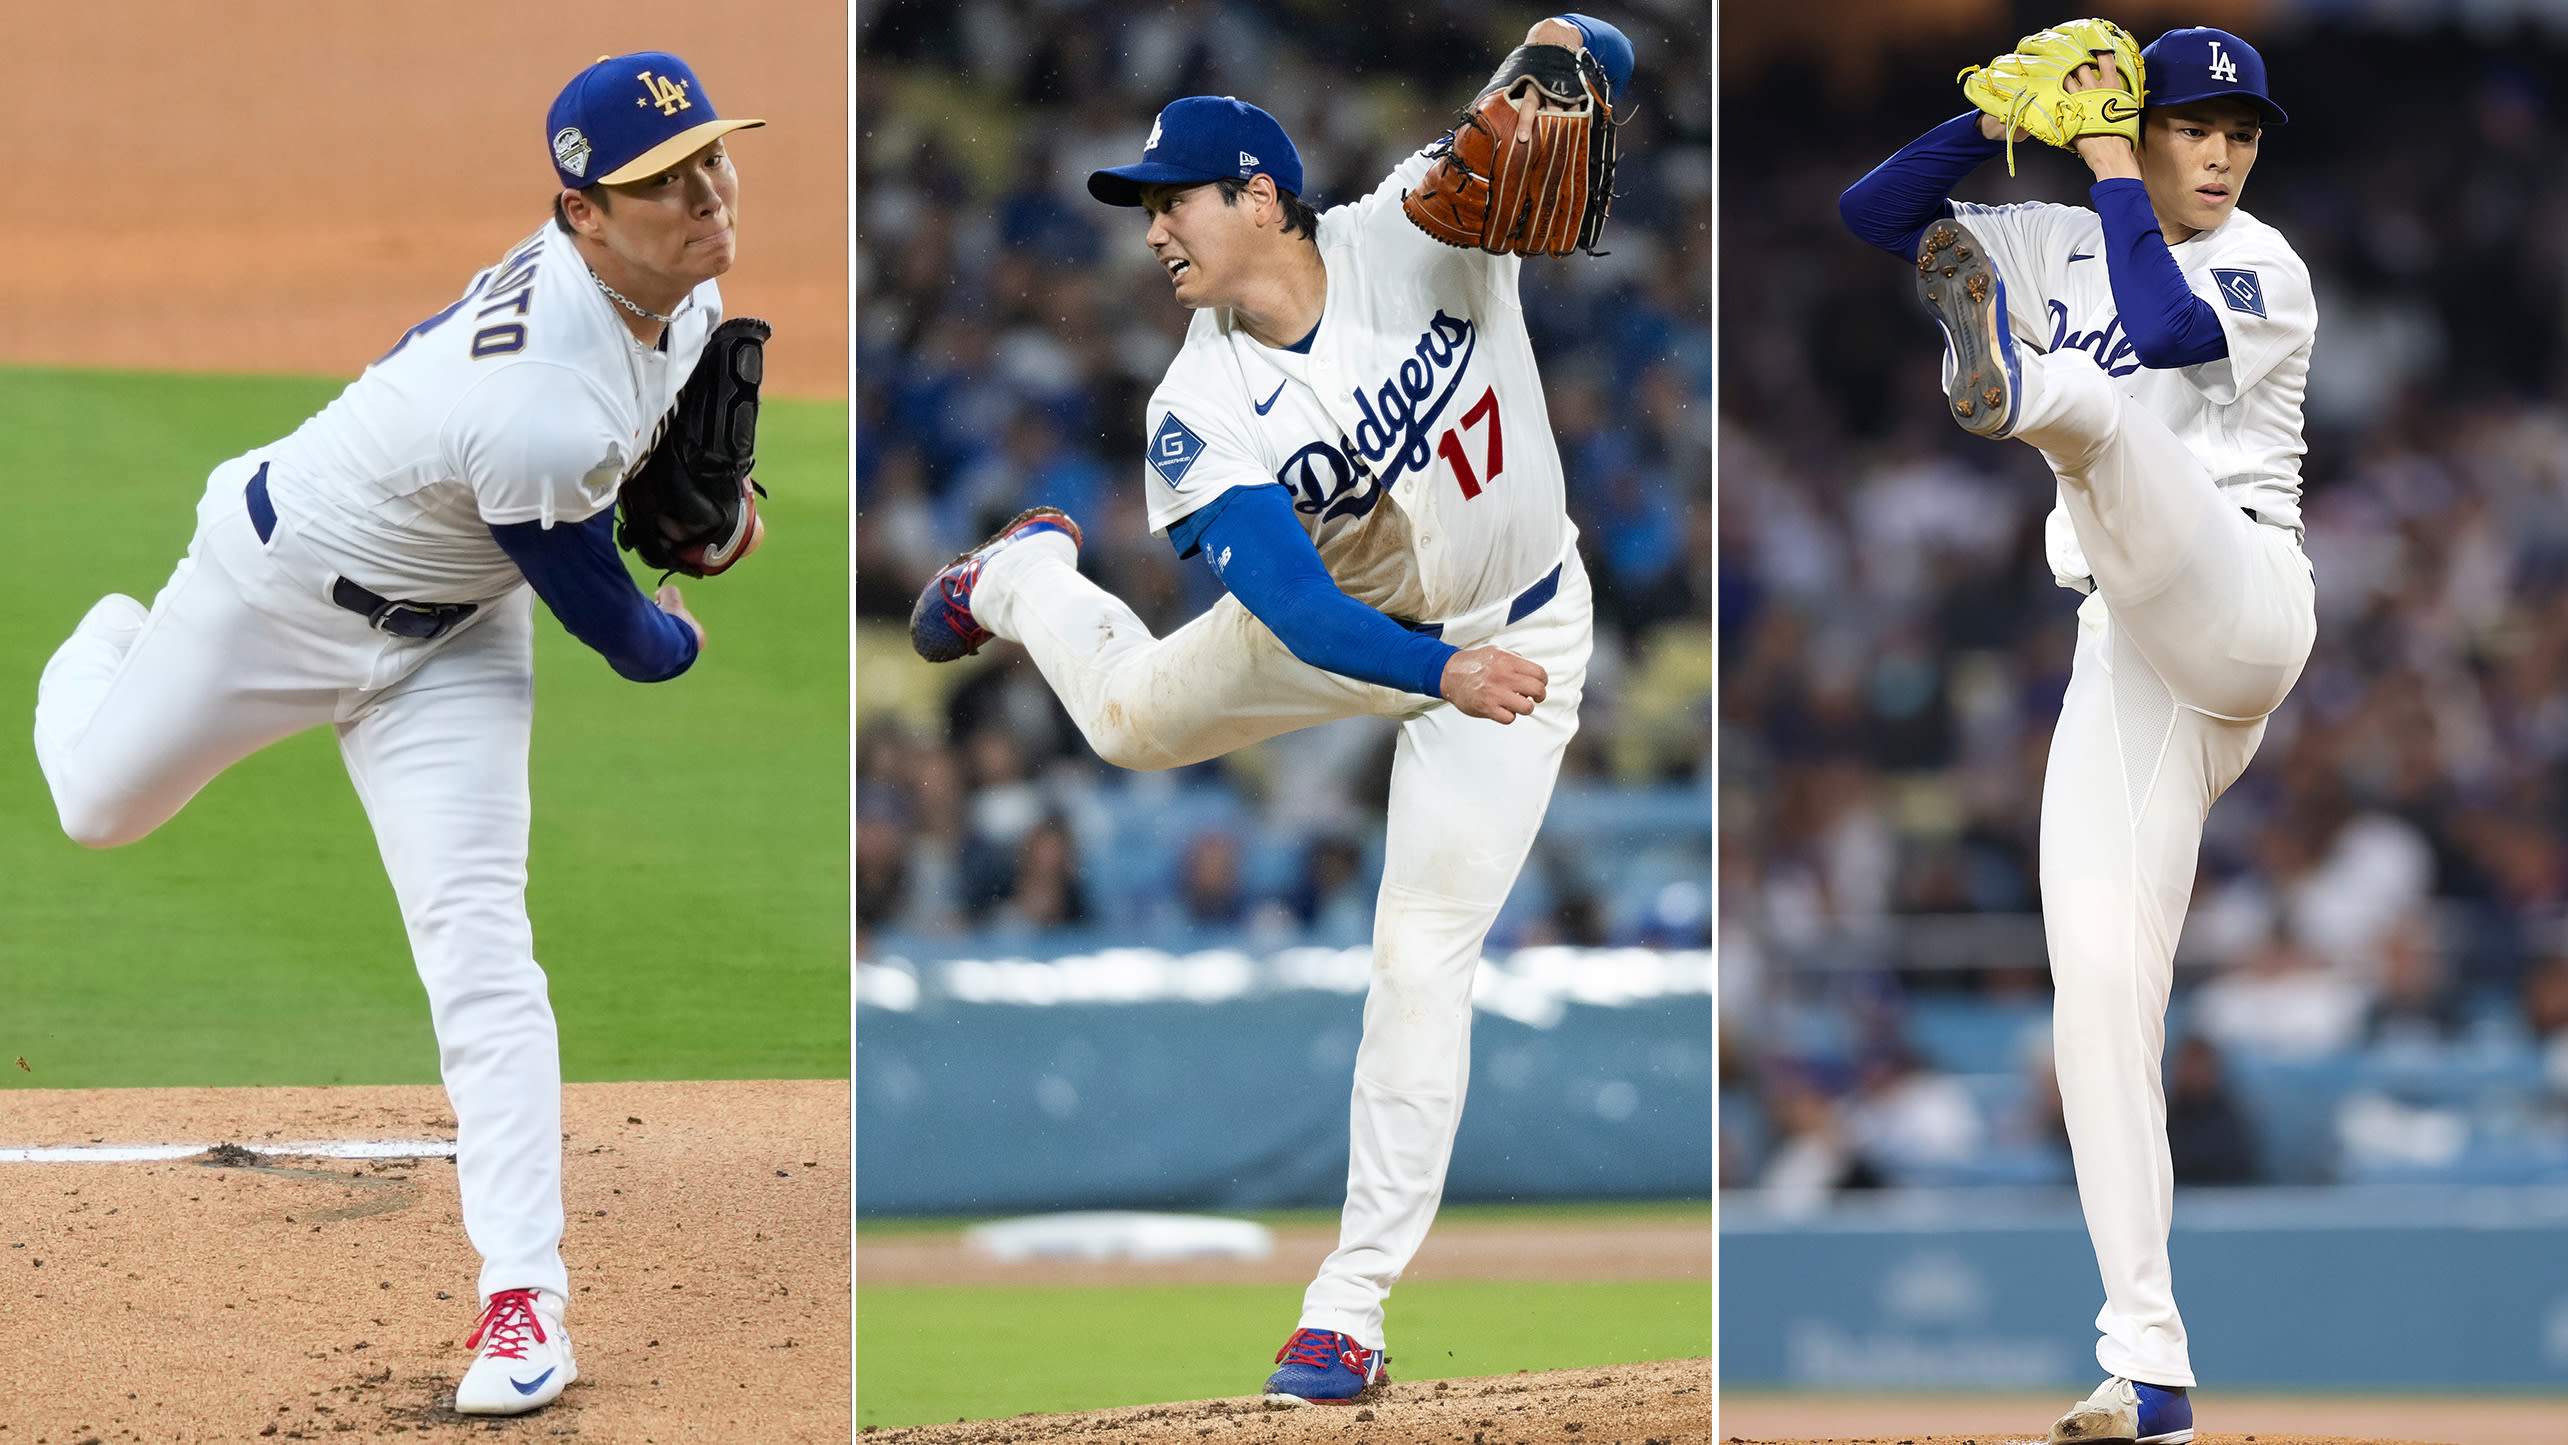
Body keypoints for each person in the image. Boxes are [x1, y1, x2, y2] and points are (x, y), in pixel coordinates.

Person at [908, 14, 1634, 1408]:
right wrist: (1436, 674)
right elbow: (1298, 615)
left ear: (1256, 193)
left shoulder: (1420, 221)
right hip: (1366, 633)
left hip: (1531, 624)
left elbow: (1588, 60)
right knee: (1121, 716)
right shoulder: (1195, 407)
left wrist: (1566, 47)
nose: (1151, 233)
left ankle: (1345, 1311)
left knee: (1423, 954)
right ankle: (1021, 576)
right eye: (1142, 211)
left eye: (1169, 201)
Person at [30, 51, 767, 1417]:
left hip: (452, 643)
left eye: (713, 159)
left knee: (480, 946)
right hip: (269, 597)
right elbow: (625, 632)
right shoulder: (534, 393)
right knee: (95, 803)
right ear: (581, 211)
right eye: (664, 183)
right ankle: (114, 638)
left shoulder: (691, 292)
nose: (709, 197)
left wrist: (720, 518)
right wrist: (686, 620)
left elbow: (650, 477)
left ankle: (522, 1297)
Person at [1840, 24, 2316, 1445]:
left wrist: (2107, 155)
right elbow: (1873, 214)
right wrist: (1991, 113)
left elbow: (2167, 330)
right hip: (2121, 648)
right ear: (2144, 124)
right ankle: (2149, 1367)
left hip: (2237, 597)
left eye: (2242, 130)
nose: (2223, 151)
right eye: (2194, 126)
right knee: (2097, 993)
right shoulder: (2054, 230)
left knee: (2099, 404)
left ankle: (2022, 389)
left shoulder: (2262, 262)